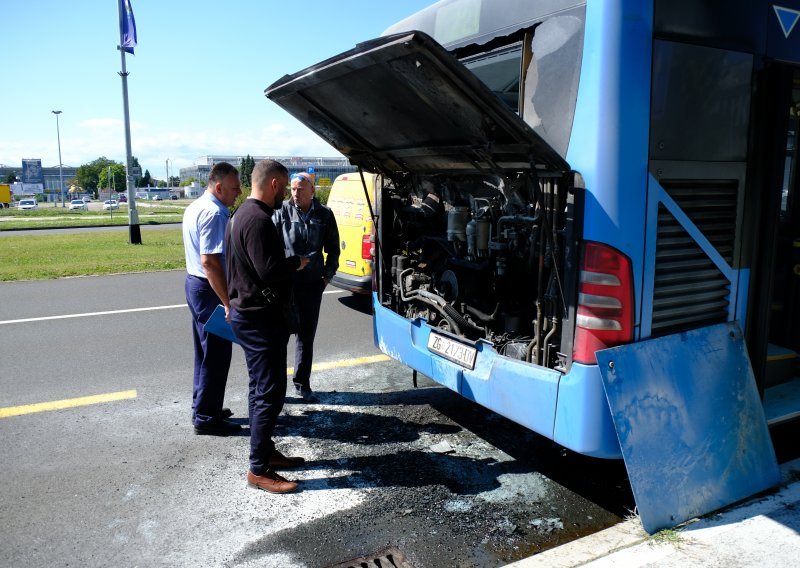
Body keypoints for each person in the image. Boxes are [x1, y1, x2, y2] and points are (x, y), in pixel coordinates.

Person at [226, 159, 310, 494]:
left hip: (250, 315)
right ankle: (258, 470)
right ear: (274, 183)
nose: (284, 194)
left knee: (259, 389)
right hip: (260, 319)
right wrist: (297, 263)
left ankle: (266, 452)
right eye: (284, 185)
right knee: (269, 393)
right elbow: (269, 270)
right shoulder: (258, 219)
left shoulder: (240, 215)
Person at [182, 161, 242, 436]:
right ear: (219, 187)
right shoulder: (215, 213)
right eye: (233, 188)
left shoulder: (196, 206)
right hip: (209, 288)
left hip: (196, 285)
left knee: (205, 353)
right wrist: (228, 303)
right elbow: (211, 262)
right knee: (216, 355)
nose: (238, 192)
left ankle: (204, 406)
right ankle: (207, 417)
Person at [273, 172, 340, 401]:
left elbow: (333, 249)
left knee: (306, 336)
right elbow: (270, 245)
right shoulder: (281, 212)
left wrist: (326, 277)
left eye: (300, 188)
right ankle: (277, 386)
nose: (295, 193)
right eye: (292, 188)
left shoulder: (324, 214)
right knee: (280, 334)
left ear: (312, 190)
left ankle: (302, 383)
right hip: (286, 283)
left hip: (312, 285)